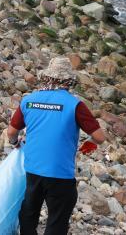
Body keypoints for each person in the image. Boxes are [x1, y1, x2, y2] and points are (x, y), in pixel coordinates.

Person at [7, 57, 106, 235]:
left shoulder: (29, 100)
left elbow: (11, 132)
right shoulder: (75, 105)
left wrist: (15, 143)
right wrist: (87, 146)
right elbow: (99, 137)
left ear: (47, 77)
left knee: (29, 211)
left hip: (33, 170)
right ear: (69, 81)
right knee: (58, 218)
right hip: (60, 173)